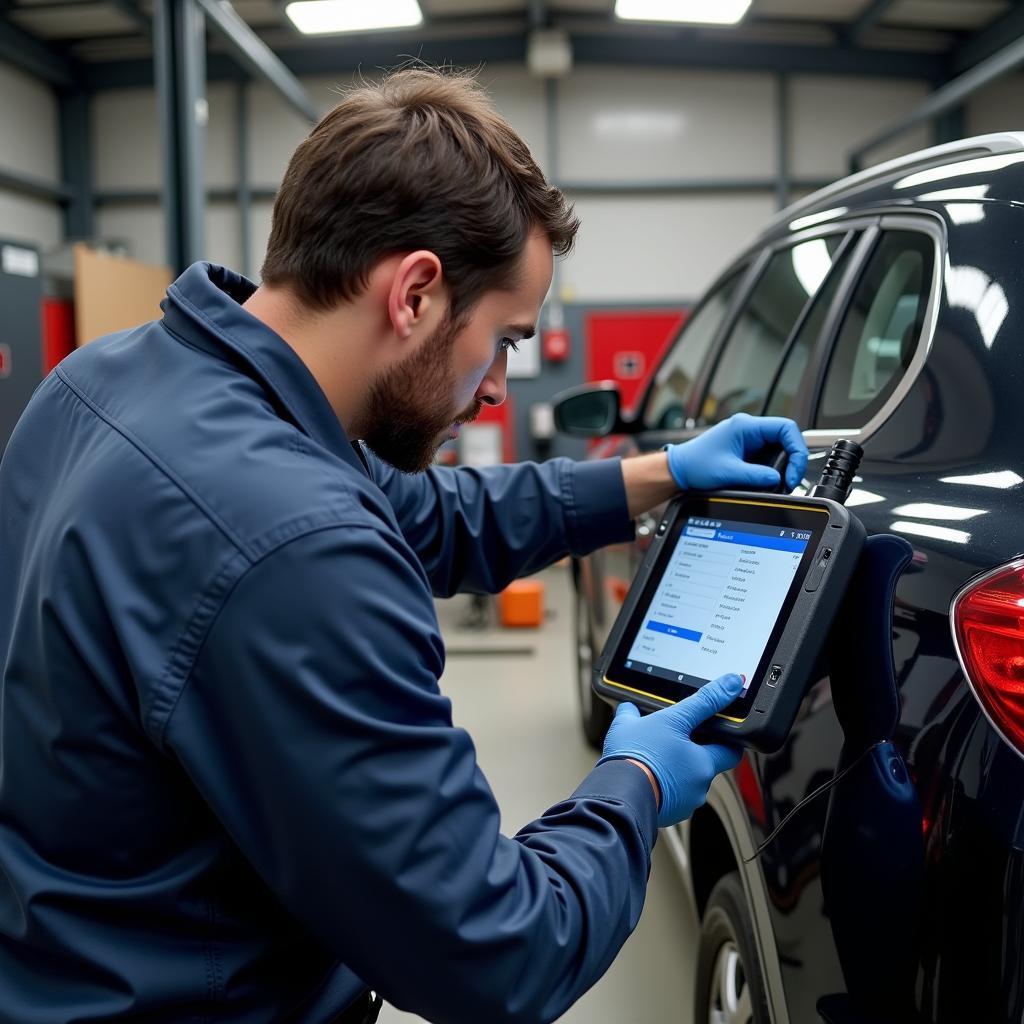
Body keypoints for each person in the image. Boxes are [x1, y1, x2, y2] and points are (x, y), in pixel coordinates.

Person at [0, 68, 808, 1024]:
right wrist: (632, 786)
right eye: (505, 339)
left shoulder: (103, 379)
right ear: (416, 293)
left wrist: (658, 474)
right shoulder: (293, 541)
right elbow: (498, 948)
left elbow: (425, 514)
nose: (502, 387)